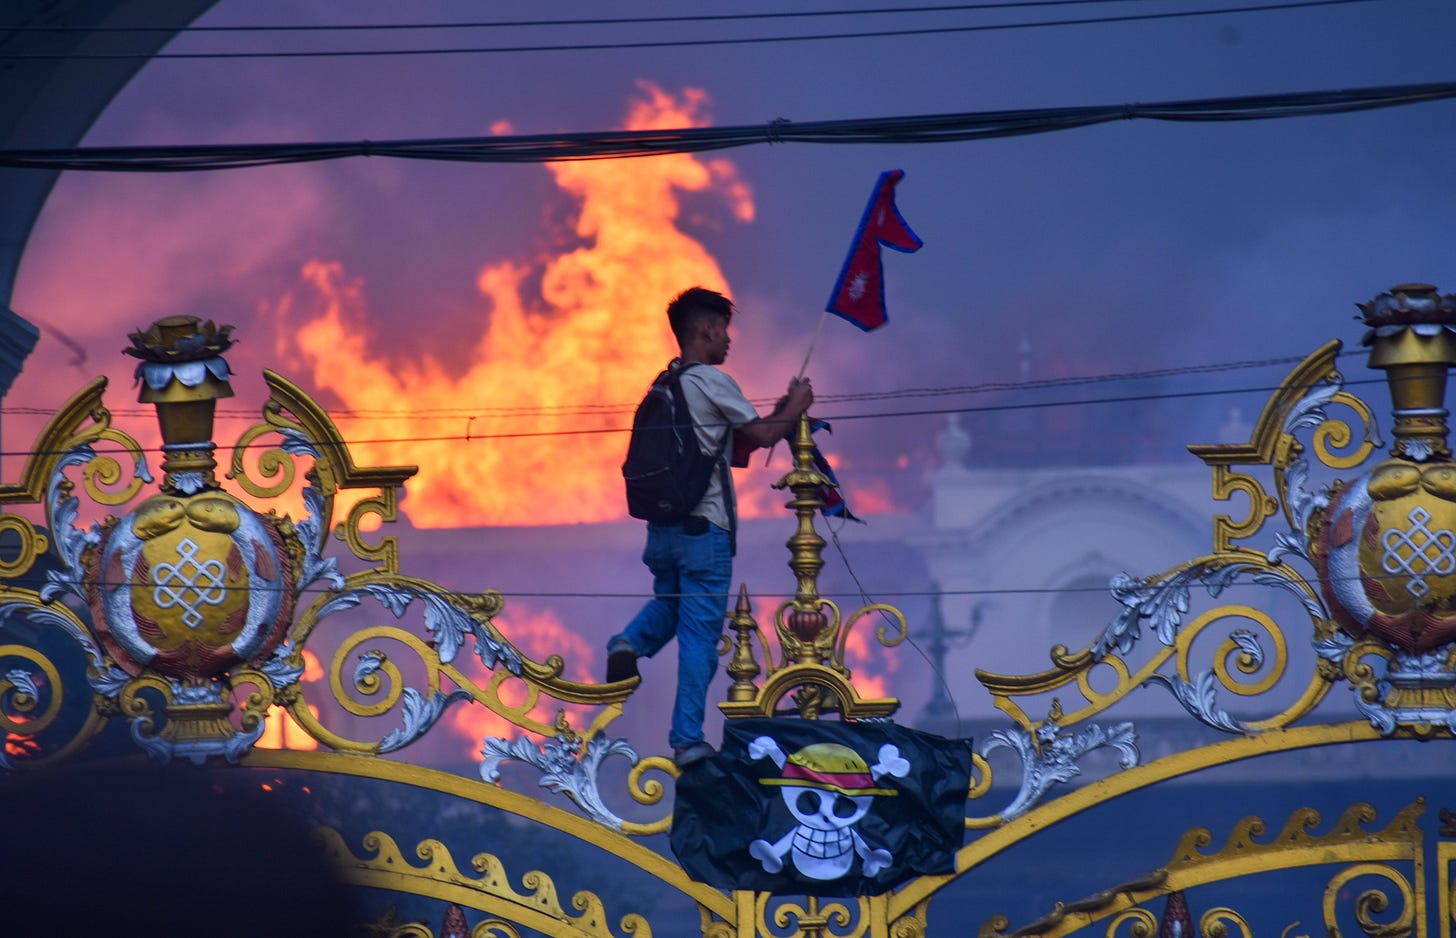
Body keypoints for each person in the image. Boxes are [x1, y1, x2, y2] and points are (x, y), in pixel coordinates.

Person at [607, 287, 813, 768]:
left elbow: (734, 445)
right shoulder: (711, 380)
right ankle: (687, 741)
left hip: (662, 531)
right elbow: (761, 436)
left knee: (669, 605)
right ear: (707, 330)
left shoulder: (667, 384)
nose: (729, 341)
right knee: (700, 636)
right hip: (705, 532)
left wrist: (782, 408)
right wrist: (797, 406)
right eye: (724, 330)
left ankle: (626, 644)